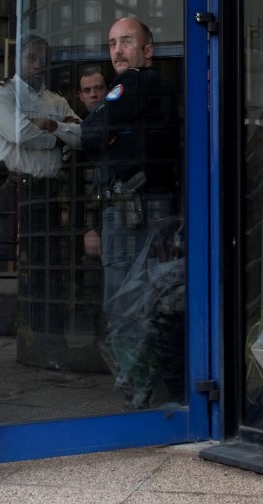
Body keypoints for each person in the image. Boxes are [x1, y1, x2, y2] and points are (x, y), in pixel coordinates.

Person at [81, 17, 182, 409]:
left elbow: (91, 131)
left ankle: (137, 389)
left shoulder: (140, 82)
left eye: (126, 42)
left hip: (137, 207)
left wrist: (103, 131)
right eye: (111, 44)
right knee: (143, 298)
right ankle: (145, 385)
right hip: (136, 205)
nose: (118, 50)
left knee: (128, 300)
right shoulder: (140, 89)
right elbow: (95, 133)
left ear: (147, 51)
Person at [0, 34, 82, 267]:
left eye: (45, 58)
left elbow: (81, 136)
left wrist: (50, 125)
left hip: (48, 192)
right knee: (6, 266)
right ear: (17, 60)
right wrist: (60, 137)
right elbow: (20, 133)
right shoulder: (1, 93)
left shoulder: (56, 101)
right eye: (31, 57)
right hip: (11, 190)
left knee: (47, 265)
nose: (39, 63)